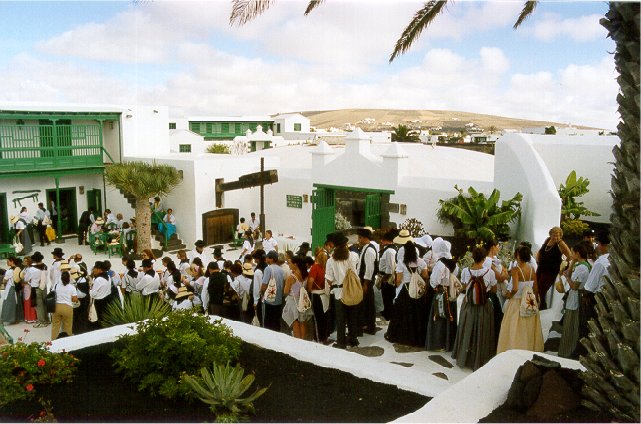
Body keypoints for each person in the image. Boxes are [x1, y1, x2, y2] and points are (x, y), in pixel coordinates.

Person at [452, 246, 497, 370]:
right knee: (482, 331)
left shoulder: (466, 271)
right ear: (484, 258)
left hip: (469, 305)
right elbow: (494, 290)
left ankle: (465, 357)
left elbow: (464, 287)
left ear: (473, 257)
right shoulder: (490, 272)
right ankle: (480, 358)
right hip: (484, 305)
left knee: (467, 329)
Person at [496, 245, 544, 354]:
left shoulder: (516, 270)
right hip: (529, 302)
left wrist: (508, 295)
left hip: (517, 302)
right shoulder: (531, 269)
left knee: (513, 328)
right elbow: (535, 288)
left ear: (518, 255)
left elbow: (515, 288)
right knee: (528, 328)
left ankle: (513, 350)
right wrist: (536, 299)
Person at [385, 240, 429, 347]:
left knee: (403, 313)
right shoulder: (421, 262)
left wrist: (397, 284)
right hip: (418, 291)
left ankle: (403, 336)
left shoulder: (401, 262)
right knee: (418, 314)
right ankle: (418, 338)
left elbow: (398, 280)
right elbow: (426, 276)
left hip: (406, 290)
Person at [325, 233, 360, 349]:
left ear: (334, 246)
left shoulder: (331, 261)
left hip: (339, 292)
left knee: (341, 319)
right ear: (346, 245)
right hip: (352, 290)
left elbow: (329, 280)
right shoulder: (353, 256)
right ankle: (353, 340)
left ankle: (341, 342)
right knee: (352, 317)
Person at [558, 243, 592, 358]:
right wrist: (572, 262)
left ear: (578, 253)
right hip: (574, 298)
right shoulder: (580, 265)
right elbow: (569, 273)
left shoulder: (582, 268)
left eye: (572, 252)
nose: (571, 254)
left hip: (576, 298)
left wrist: (567, 277)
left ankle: (568, 351)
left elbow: (574, 286)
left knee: (571, 326)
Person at [426, 238, 458, 351]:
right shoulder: (454, 264)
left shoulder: (440, 264)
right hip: (451, 293)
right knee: (450, 316)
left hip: (441, 293)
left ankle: (438, 343)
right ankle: (449, 343)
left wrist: (433, 284)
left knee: (439, 316)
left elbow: (434, 281)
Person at [536, 226, 572, 310]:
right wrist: (538, 257)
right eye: (554, 235)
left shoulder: (561, 244)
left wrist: (563, 264)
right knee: (536, 287)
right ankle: (539, 305)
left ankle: (541, 307)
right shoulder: (547, 240)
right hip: (541, 267)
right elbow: (541, 250)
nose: (556, 237)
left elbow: (569, 255)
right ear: (551, 234)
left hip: (550, 270)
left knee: (541, 290)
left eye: (558, 235)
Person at [282, 255, 314, 339]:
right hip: (302, 301)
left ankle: (297, 340)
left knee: (295, 321)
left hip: (294, 301)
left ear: (295, 264)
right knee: (302, 321)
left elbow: (286, 291)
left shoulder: (291, 277)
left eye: (290, 263)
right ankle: (303, 339)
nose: (289, 265)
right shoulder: (305, 275)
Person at [356, 228, 378, 335]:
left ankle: (370, 326)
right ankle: (366, 324)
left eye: (360, 237)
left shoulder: (369, 250)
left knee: (368, 304)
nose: (358, 240)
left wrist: (365, 283)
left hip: (366, 282)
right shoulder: (365, 248)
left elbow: (369, 268)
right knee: (365, 304)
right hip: (363, 280)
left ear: (365, 238)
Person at [308, 248, 329, 343]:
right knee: (324, 317)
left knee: (316, 318)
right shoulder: (327, 268)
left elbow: (311, 280)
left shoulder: (315, 267)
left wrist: (309, 289)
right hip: (324, 294)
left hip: (316, 294)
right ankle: (324, 336)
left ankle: (318, 338)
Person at [261, 250, 285, 332]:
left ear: (271, 259)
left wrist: (262, 293)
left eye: (267, 257)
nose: (266, 259)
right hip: (279, 300)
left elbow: (264, 284)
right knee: (276, 323)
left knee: (268, 324)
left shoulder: (268, 269)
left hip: (269, 300)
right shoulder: (281, 270)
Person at [50, 270, 78, 340]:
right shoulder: (72, 287)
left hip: (57, 307)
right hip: (67, 307)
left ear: (61, 278)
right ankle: (67, 341)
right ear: (69, 278)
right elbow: (75, 299)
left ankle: (53, 340)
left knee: (55, 326)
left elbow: (52, 294)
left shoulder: (56, 286)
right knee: (68, 326)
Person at [378, 231, 398, 321]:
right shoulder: (390, 249)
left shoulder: (389, 251)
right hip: (386, 275)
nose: (381, 241)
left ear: (387, 240)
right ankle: (387, 312)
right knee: (386, 296)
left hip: (387, 276)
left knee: (388, 296)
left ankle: (388, 314)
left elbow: (390, 268)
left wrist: (385, 279)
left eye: (383, 239)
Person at [29, 252, 50, 328]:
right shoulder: (45, 266)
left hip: (36, 288)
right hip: (44, 287)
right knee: (44, 304)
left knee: (38, 305)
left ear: (34, 260)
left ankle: (42, 321)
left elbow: (27, 278)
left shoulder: (32, 268)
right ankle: (47, 319)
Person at [89, 261, 114, 325]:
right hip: (107, 299)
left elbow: (93, 294)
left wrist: (90, 290)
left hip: (99, 302)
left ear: (99, 270)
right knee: (105, 317)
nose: (94, 270)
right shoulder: (108, 277)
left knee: (100, 318)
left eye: (95, 268)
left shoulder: (98, 280)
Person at [1, 257, 23, 325]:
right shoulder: (18, 269)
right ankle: (17, 319)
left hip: (10, 288)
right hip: (16, 288)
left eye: (8, 261)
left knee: (9, 304)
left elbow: (4, 280)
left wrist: (3, 282)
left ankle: (9, 318)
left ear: (12, 261)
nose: (7, 262)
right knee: (17, 303)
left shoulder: (9, 271)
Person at [70, 267, 90, 334]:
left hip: (82, 301)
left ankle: (80, 330)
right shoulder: (80, 280)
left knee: (81, 316)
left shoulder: (82, 282)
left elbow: (82, 294)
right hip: (79, 300)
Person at [20, 256, 37, 324]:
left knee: (30, 302)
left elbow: (32, 279)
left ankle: (32, 318)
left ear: (28, 262)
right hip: (25, 287)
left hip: (29, 287)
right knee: (26, 302)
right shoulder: (25, 269)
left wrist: (26, 282)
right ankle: (28, 317)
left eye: (25, 261)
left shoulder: (31, 269)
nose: (23, 262)